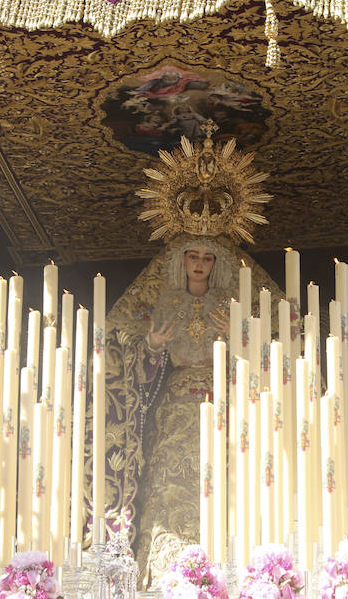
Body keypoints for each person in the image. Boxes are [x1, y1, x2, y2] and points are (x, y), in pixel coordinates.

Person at [102, 234, 237, 585]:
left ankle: (223, 561)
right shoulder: (168, 302)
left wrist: (238, 339)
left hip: (220, 399)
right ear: (182, 261)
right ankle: (166, 564)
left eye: (207, 258)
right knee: (165, 473)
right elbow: (146, 371)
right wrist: (153, 344)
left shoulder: (228, 302)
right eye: (193, 256)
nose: (199, 263)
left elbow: (250, 363)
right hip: (175, 403)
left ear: (215, 264)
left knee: (223, 473)